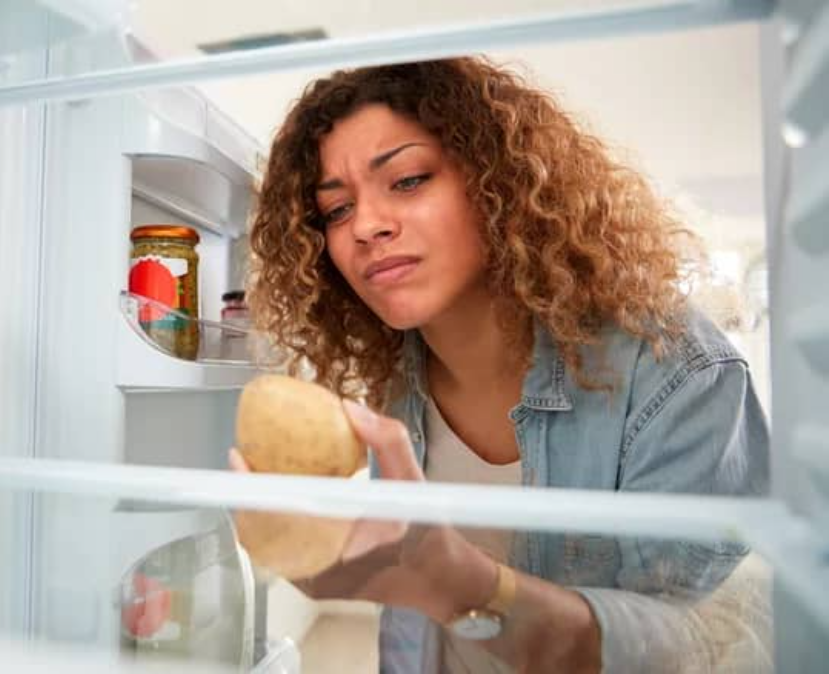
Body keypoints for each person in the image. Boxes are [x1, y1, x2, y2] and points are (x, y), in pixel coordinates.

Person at [231, 58, 771, 673]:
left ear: (499, 183)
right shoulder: (395, 380)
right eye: (336, 210)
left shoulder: (676, 368)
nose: (367, 227)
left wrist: (458, 583)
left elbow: (689, 647)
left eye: (407, 179)